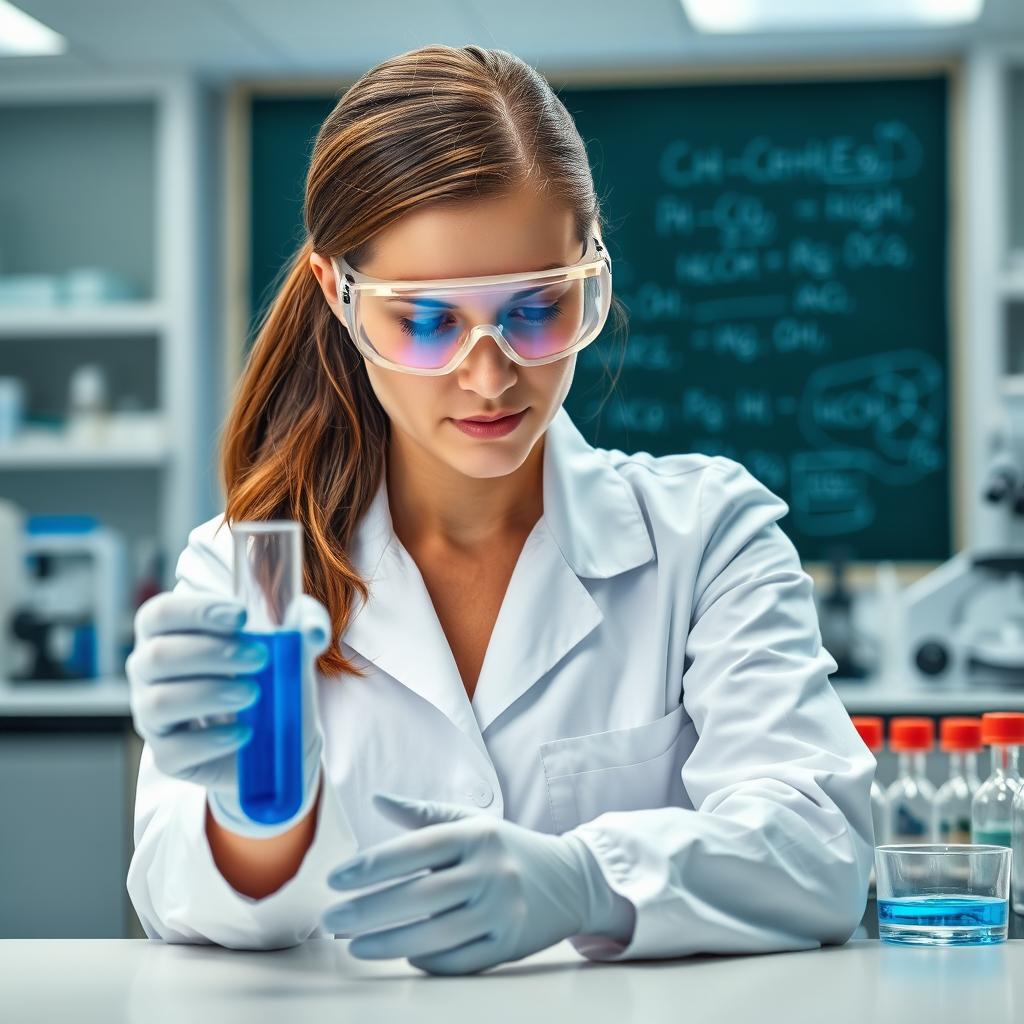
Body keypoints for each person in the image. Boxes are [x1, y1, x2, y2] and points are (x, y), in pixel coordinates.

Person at [125, 44, 874, 975]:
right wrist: (257, 815)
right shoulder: (250, 571)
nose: (490, 375)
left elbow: (822, 850)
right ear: (339, 295)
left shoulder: (705, 538)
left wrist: (588, 881)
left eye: (536, 309)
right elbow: (172, 895)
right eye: (429, 320)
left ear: (591, 269)